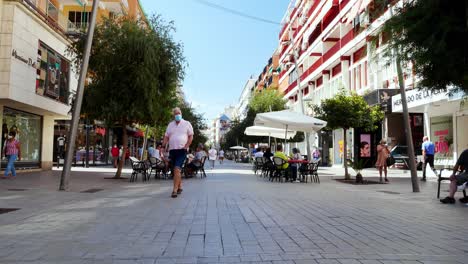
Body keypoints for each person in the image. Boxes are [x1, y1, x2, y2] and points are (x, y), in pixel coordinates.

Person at [162, 107, 194, 198]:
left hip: (182, 150)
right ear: (173, 115)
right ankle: (180, 187)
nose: (177, 115)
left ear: (181, 114)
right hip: (172, 151)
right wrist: (163, 146)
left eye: (178, 113)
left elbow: (191, 136)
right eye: (175, 114)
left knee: (177, 169)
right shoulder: (170, 125)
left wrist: (186, 146)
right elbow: (166, 137)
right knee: (175, 170)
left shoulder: (187, 124)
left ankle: (174, 190)